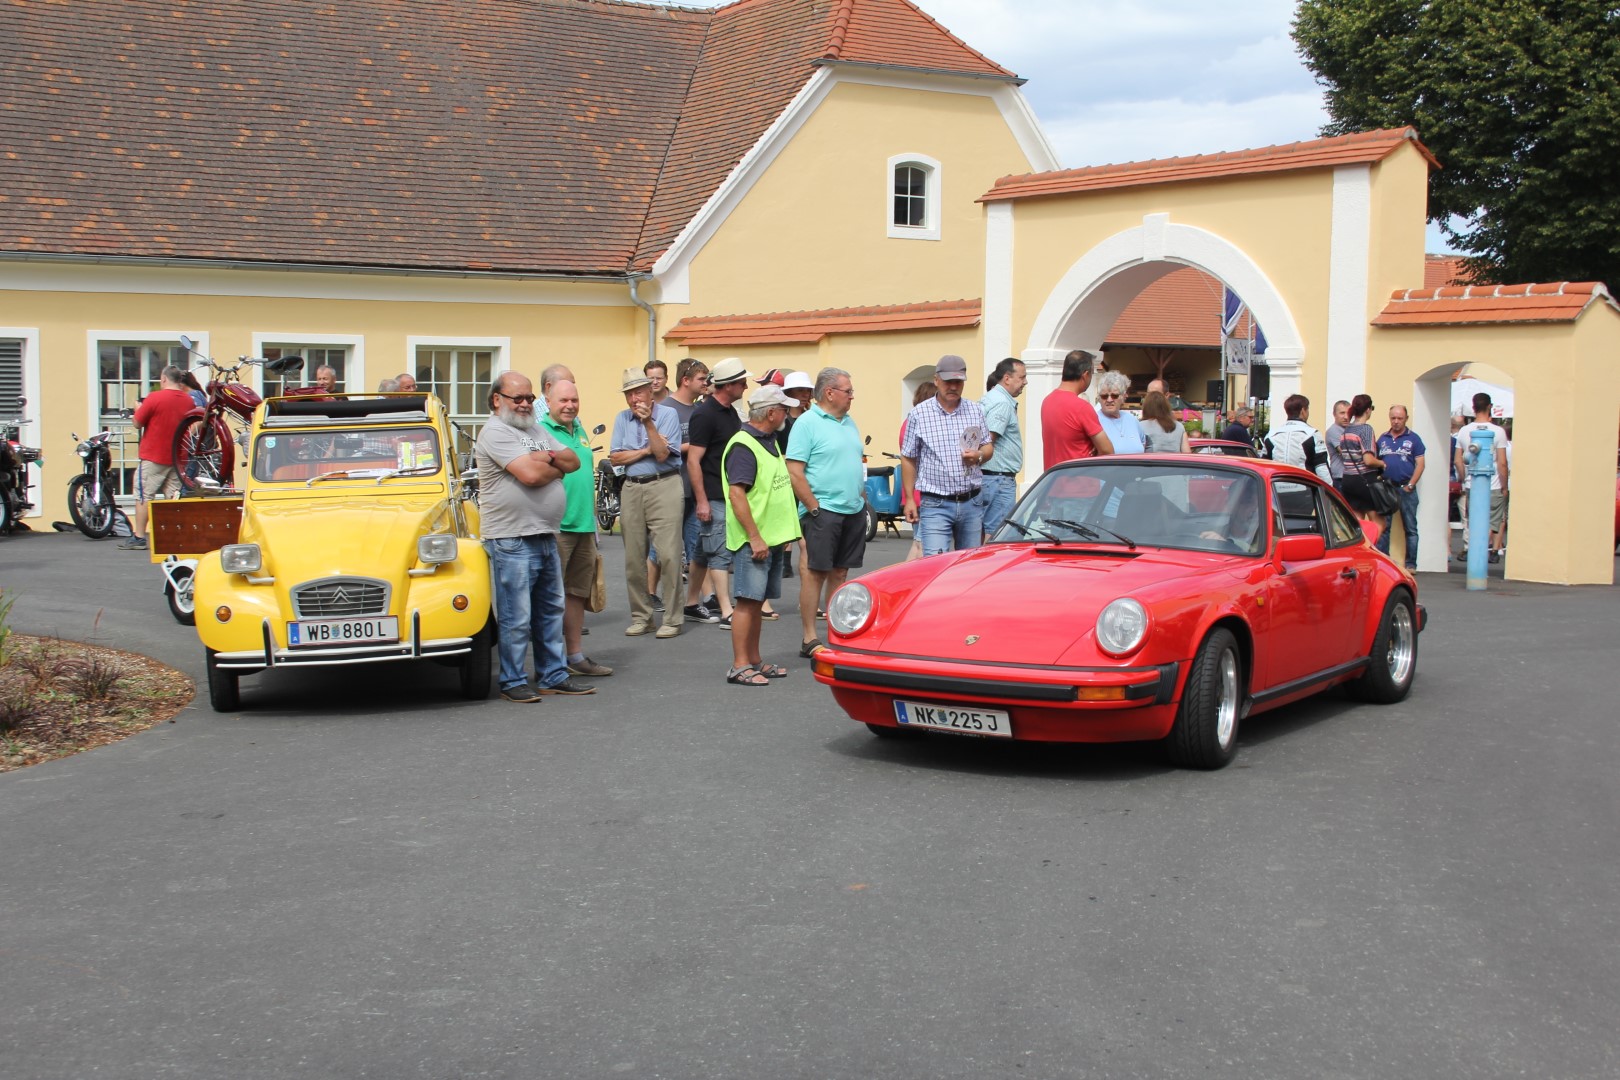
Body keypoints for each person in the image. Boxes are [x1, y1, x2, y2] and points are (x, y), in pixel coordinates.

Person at [474, 371, 595, 702]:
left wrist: (548, 458)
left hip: (544, 533)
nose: (527, 403)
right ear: (498, 399)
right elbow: (528, 475)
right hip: (511, 537)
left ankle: (552, 675)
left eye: (530, 398)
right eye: (519, 398)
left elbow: (573, 461)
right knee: (517, 616)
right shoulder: (495, 431)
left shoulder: (536, 429)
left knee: (549, 611)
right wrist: (546, 464)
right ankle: (513, 680)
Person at [721, 385, 802, 686]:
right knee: (746, 602)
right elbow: (737, 495)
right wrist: (755, 537)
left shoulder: (768, 440)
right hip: (754, 541)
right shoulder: (744, 445)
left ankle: (754, 660)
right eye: (783, 409)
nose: (787, 414)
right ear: (770, 413)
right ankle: (739, 665)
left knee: (756, 603)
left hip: (770, 538)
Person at [785, 367, 863, 659]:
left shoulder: (848, 422)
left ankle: (837, 631)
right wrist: (814, 508)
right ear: (830, 393)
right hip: (823, 510)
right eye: (848, 391)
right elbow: (794, 471)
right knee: (815, 573)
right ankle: (809, 637)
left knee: (840, 573)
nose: (852, 396)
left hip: (851, 508)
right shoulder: (807, 423)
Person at [541, 378, 613, 676]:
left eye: (574, 400)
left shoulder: (579, 429)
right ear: (548, 401)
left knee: (576, 594)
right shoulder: (541, 431)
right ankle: (550, 663)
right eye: (563, 401)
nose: (570, 405)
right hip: (557, 525)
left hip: (583, 524)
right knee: (549, 597)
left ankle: (575, 657)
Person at [610, 367, 685, 638]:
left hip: (664, 484)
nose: (634, 399)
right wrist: (645, 450)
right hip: (632, 488)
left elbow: (663, 454)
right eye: (629, 394)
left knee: (668, 554)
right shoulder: (622, 418)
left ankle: (672, 618)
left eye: (638, 392)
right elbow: (615, 458)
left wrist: (649, 426)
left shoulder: (668, 415)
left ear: (650, 391)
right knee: (633, 557)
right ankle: (642, 616)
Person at [901, 354, 993, 556]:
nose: (953, 387)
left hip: (971, 501)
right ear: (936, 380)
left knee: (968, 567)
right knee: (935, 563)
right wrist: (909, 499)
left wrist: (978, 455)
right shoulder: (919, 414)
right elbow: (908, 457)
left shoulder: (975, 410)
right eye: (948, 381)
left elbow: (988, 446)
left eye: (958, 382)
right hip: (936, 503)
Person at [685, 356, 751, 626]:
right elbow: (693, 461)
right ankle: (726, 611)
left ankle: (690, 604)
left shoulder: (730, 412)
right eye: (741, 382)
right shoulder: (704, 414)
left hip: (726, 493)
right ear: (728, 386)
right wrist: (702, 501)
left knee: (703, 552)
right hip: (713, 495)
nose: (746, 386)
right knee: (720, 553)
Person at [649, 358, 707, 610]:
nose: (707, 383)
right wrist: (696, 446)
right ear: (686, 380)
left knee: (696, 546)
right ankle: (650, 594)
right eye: (702, 379)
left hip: (695, 489)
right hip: (671, 486)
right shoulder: (665, 408)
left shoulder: (699, 410)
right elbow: (661, 448)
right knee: (661, 548)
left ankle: (699, 599)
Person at [119, 365, 196, 550]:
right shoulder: (188, 400)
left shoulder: (155, 398)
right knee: (173, 496)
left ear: (163, 379)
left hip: (154, 454)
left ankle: (139, 536)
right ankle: (175, 536)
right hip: (178, 458)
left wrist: (138, 408)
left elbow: (138, 423)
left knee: (144, 494)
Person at [1453, 392, 1510, 563]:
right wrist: (1505, 486)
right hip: (1493, 484)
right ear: (1489, 407)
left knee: (1475, 521)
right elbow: (1502, 463)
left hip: (1472, 484)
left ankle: (1474, 552)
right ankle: (1480, 554)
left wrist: (1464, 478)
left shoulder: (1464, 431)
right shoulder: (1498, 432)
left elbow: (1458, 460)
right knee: (1492, 522)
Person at [977, 357, 1026, 538]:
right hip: (998, 479)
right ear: (1007, 378)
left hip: (989, 477)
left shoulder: (988, 398)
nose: (1025, 382)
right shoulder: (1002, 403)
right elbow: (987, 439)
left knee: (982, 533)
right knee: (996, 535)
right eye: (1021, 377)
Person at [1041, 349, 1114, 466]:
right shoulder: (1081, 407)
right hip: (1080, 479)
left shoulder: (1047, 401)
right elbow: (1107, 450)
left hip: (1055, 478)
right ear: (1085, 375)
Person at [1376, 404, 1426, 569]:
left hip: (1406, 488)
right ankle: (1386, 562)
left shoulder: (1414, 439)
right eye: (1393, 418)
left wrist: (1411, 484)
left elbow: (1420, 464)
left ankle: (1411, 564)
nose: (1396, 421)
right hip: (1386, 488)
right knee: (1384, 527)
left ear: (1406, 419)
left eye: (1400, 418)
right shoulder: (1383, 439)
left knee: (1410, 527)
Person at [900, 381, 937, 561]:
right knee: (920, 545)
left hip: (914, 492)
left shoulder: (907, 422)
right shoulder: (919, 423)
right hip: (922, 491)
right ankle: (904, 583)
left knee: (919, 542)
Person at [1335, 393, 1385, 523]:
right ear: (1368, 410)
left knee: (1359, 522)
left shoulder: (1346, 430)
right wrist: (1381, 463)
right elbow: (1368, 460)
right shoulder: (1366, 429)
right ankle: (1371, 544)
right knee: (1378, 524)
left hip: (1348, 480)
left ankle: (1361, 544)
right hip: (1364, 480)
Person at [1262, 394, 1332, 483]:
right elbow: (1321, 467)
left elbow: (1264, 464)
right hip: (1304, 487)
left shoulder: (1270, 435)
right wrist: (1330, 488)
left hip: (1276, 487)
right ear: (1303, 411)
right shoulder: (1312, 434)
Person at [1094, 370, 1144, 454]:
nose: (1109, 400)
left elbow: (1143, 444)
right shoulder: (1094, 420)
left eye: (1114, 396)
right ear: (1099, 398)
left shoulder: (1132, 420)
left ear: (1124, 396)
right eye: (1104, 396)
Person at [1325, 399, 1350, 489]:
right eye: (1342, 413)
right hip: (1340, 477)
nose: (1346, 417)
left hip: (1351, 476)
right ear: (1334, 414)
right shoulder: (1333, 431)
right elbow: (1345, 453)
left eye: (1348, 413)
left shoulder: (1350, 429)